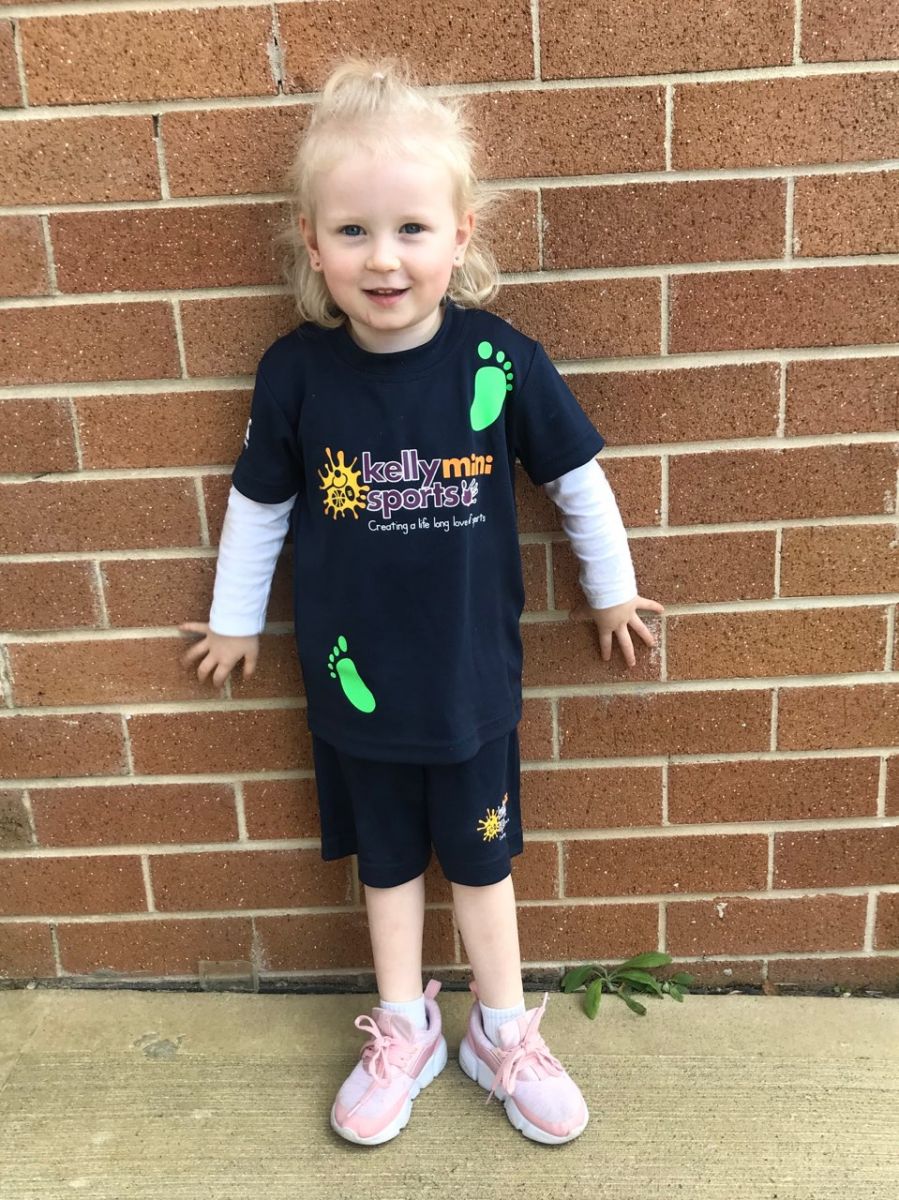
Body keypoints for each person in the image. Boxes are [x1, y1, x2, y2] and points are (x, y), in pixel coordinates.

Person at [180, 57, 664, 1148]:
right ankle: (404, 1028)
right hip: (357, 689)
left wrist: (611, 590)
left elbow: (575, 480)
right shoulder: (295, 375)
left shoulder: (499, 358)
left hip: (467, 683)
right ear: (312, 244)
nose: (384, 257)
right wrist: (235, 619)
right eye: (352, 231)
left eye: (410, 228)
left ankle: (501, 1032)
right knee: (389, 868)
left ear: (460, 232)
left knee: (483, 867)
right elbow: (258, 503)